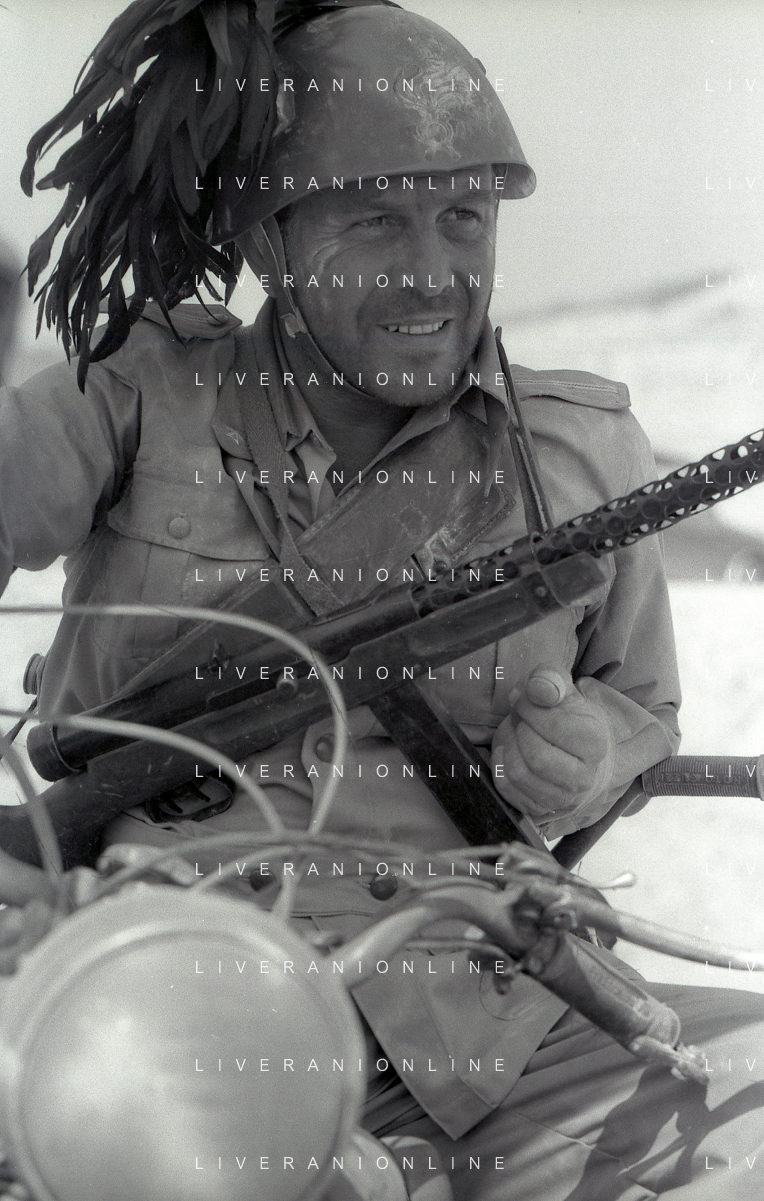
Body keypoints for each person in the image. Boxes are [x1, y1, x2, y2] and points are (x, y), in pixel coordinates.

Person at [1, 2, 763, 1198]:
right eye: (372, 219)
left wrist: (588, 753)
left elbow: (640, 706)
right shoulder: (133, 399)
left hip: (484, 1016)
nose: (430, 272)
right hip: (177, 987)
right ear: (270, 241)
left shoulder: (576, 454)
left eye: (463, 217)